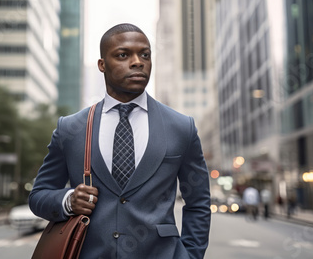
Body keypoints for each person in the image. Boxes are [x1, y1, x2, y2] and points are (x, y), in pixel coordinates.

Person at [29, 23, 211, 258]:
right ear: (102, 65)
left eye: (144, 54)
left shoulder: (181, 127)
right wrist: (68, 200)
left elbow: (198, 203)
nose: (137, 62)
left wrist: (191, 256)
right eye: (123, 55)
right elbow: (38, 195)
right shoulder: (71, 129)